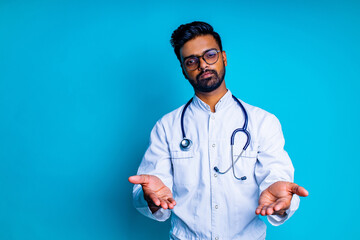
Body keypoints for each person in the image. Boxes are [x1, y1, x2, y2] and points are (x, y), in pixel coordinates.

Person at [128, 21, 308, 240]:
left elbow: (277, 182)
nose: (203, 65)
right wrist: (151, 198)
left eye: (210, 55)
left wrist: (280, 201)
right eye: (191, 61)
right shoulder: (167, 126)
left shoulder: (263, 122)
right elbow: (152, 191)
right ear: (184, 70)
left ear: (223, 57)